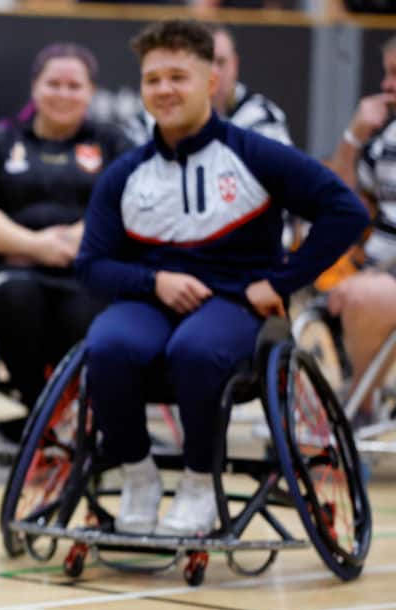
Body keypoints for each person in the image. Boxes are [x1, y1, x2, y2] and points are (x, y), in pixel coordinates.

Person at [77, 20, 368, 537]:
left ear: (211, 82)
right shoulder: (125, 174)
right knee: (108, 344)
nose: (164, 89)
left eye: (178, 77)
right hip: (153, 298)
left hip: (236, 302)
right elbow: (92, 265)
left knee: (196, 350)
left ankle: (196, 483)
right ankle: (138, 476)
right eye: (152, 79)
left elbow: (344, 211)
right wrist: (155, 282)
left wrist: (282, 282)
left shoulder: (254, 154)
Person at [0, 43, 132, 438]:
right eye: (53, 83)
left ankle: (64, 412)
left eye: (75, 85)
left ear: (91, 92)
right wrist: (36, 245)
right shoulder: (0, 141)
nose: (63, 93)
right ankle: (44, 413)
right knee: (18, 299)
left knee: (88, 311)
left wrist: (75, 239)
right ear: (35, 88)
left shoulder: (113, 143)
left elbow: (127, 209)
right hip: (11, 269)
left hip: (85, 270)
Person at [325, 34, 396, 419]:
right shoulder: (387, 138)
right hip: (374, 272)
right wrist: (353, 138)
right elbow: (340, 202)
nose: (386, 86)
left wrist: (366, 284)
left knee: (362, 298)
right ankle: (353, 405)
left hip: (380, 283)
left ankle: (357, 409)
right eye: (386, 75)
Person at [125, 24, 292, 148]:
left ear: (234, 65)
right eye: (206, 63)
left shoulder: (261, 117)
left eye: (220, 62)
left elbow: (290, 182)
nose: (214, 72)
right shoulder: (154, 117)